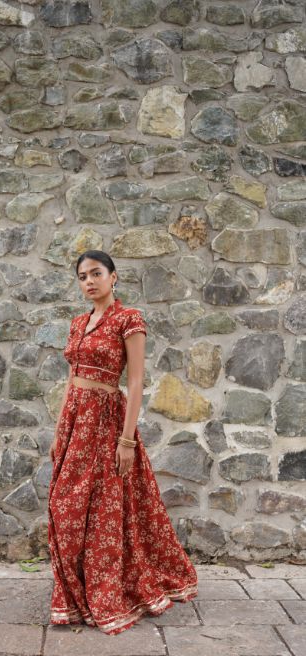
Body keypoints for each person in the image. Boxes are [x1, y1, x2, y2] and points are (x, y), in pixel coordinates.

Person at [47, 250, 198, 636]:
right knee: (64, 506)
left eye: (96, 273)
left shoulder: (129, 320)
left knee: (103, 509)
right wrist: (58, 430)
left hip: (106, 422)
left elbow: (134, 383)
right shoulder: (78, 323)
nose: (89, 281)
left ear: (113, 277)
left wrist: (127, 440)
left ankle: (103, 589)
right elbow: (71, 379)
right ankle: (73, 593)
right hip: (75, 422)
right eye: (82, 276)